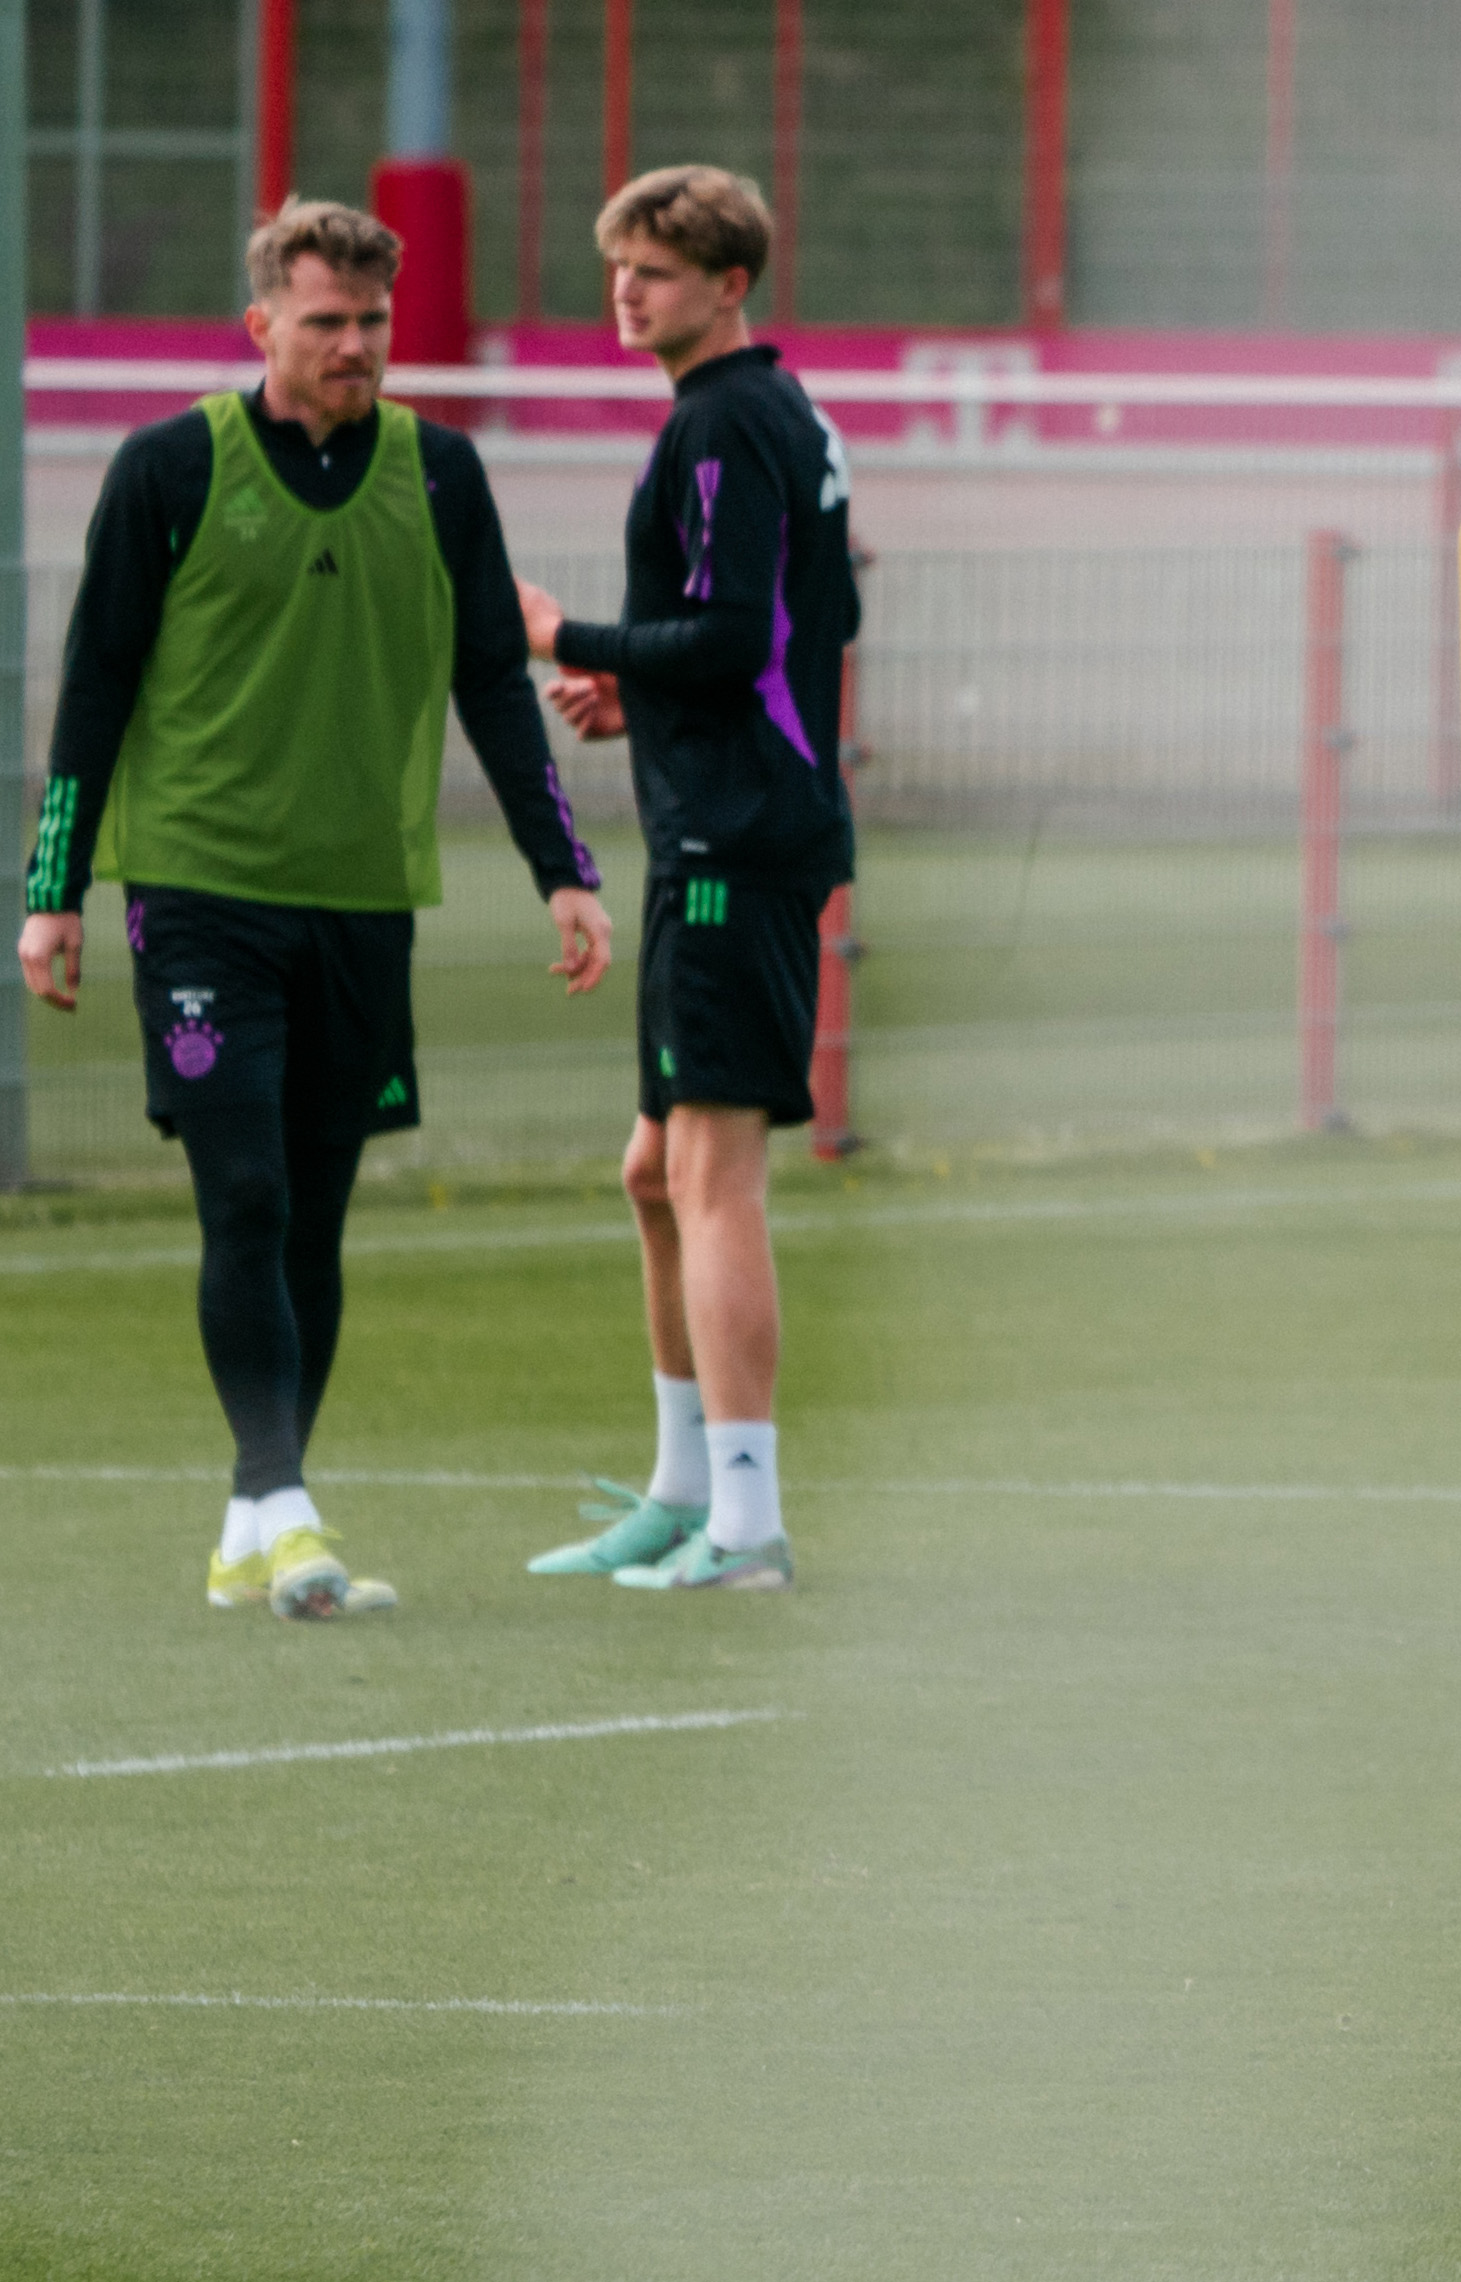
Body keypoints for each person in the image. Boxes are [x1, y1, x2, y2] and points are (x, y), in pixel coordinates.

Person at [15, 200, 613, 1618]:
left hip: (363, 896)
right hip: (200, 890)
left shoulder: (443, 472)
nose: (356, 345)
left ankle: (250, 1510)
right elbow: (95, 683)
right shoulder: (170, 467)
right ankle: (287, 1506)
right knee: (246, 1188)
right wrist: (52, 893)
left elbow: (488, 682)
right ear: (261, 327)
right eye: (327, 320)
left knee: (315, 1221)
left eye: (374, 323)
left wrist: (564, 866)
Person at [513, 165, 857, 1594]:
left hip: (739, 838)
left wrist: (565, 633)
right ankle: (678, 1488)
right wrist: (636, 694)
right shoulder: (758, 411)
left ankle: (751, 1525)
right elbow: (766, 634)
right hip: (720, 817)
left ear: (728, 284)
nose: (626, 290)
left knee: (713, 1178)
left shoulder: (725, 420)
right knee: (654, 1169)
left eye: (655, 268)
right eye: (619, 266)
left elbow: (728, 631)